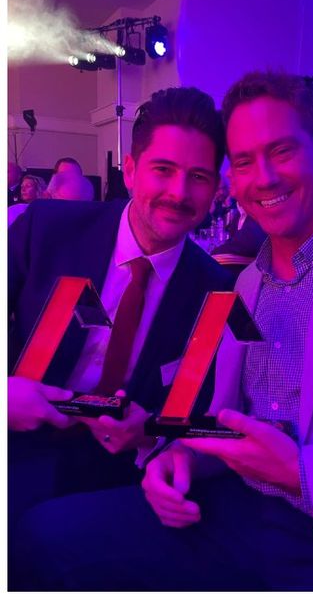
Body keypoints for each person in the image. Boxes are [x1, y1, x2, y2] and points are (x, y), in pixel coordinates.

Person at [13, 72, 313, 590]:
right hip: (213, 506)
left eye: (282, 152)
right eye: (244, 161)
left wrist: (302, 473)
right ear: (131, 171)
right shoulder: (241, 287)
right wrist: (180, 455)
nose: (263, 177)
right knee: (41, 539)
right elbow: (220, 422)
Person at [8, 87, 232, 533]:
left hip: (119, 474)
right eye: (162, 170)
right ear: (130, 170)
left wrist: (149, 431)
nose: (178, 193)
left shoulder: (214, 288)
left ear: (215, 189)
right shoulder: (47, 228)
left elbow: (190, 410)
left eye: (199, 177)